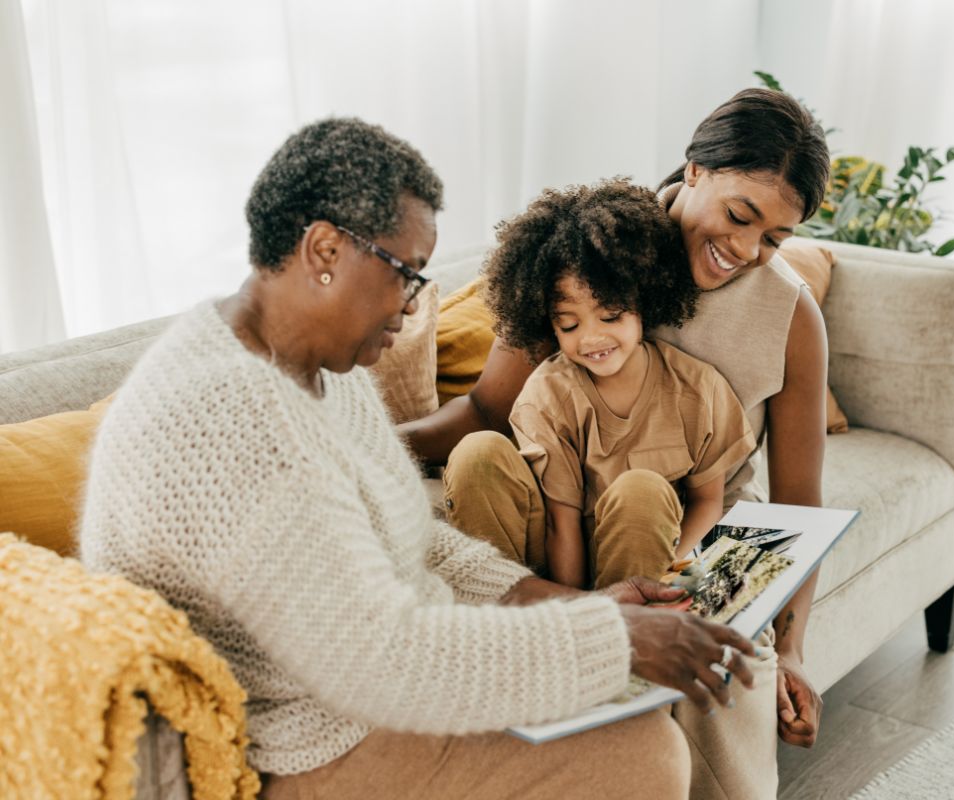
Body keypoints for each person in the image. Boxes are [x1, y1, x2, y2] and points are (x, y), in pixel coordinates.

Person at [79, 117, 761, 799]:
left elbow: (409, 536)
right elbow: (384, 660)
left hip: (354, 699)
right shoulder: (233, 420)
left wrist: (570, 604)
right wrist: (610, 638)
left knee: (631, 726)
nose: (411, 308)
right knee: (637, 753)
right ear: (324, 251)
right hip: (294, 747)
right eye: (406, 275)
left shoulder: (316, 366)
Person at [401, 88, 832, 795]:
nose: (748, 250)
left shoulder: (790, 316)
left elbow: (798, 509)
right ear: (694, 169)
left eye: (776, 238)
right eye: (739, 216)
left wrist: (793, 650)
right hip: (553, 518)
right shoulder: (593, 246)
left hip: (688, 548)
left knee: (720, 687)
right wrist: (371, 444)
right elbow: (484, 410)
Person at [465, 177, 756, 591]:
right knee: (477, 452)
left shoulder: (697, 388)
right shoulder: (547, 395)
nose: (592, 339)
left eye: (611, 316)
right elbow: (560, 524)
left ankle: (633, 634)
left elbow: (708, 501)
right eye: (569, 324)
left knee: (641, 489)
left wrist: (677, 579)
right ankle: (513, 622)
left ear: (643, 301)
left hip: (646, 563)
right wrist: (580, 612)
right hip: (554, 575)